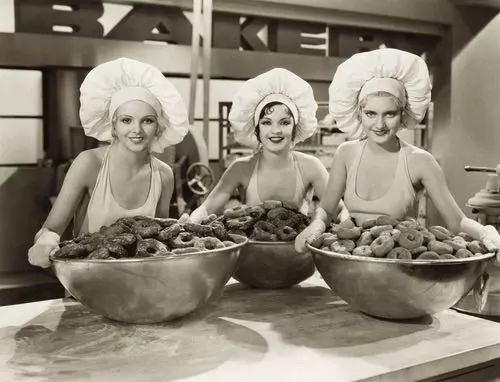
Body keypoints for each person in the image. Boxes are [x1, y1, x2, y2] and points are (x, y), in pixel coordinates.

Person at [295, 48, 500, 256]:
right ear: (359, 114)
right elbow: (328, 210)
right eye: (371, 113)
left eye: (390, 114)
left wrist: (486, 233)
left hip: (399, 263)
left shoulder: (421, 162)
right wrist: (317, 225)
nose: (380, 124)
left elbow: (457, 221)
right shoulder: (346, 153)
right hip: (351, 259)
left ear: (403, 114)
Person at [28, 57, 190, 268]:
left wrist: (181, 230)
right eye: (126, 120)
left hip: (143, 284)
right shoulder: (89, 164)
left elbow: (156, 239)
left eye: (147, 121)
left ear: (158, 127)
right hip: (88, 284)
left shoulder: (163, 175)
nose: (137, 130)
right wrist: (45, 242)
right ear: (112, 125)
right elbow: (51, 228)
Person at [189, 68, 348, 223]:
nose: (276, 131)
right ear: (256, 129)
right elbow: (206, 209)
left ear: (296, 127)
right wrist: (191, 222)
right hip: (252, 248)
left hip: (298, 248)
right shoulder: (241, 168)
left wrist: (346, 222)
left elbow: (339, 210)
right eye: (266, 122)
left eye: (285, 122)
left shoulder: (310, 166)